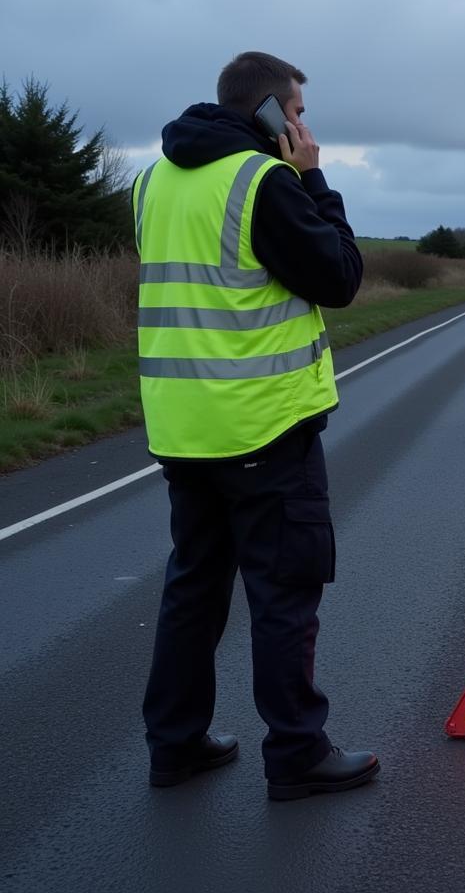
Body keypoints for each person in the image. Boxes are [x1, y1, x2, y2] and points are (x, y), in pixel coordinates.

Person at [136, 51, 379, 800]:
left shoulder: (153, 180)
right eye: (298, 112)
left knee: (195, 589)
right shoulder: (264, 181)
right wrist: (311, 177)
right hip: (264, 426)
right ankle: (298, 754)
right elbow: (339, 277)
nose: (305, 127)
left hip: (182, 427)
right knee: (284, 591)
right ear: (270, 113)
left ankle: (174, 746)